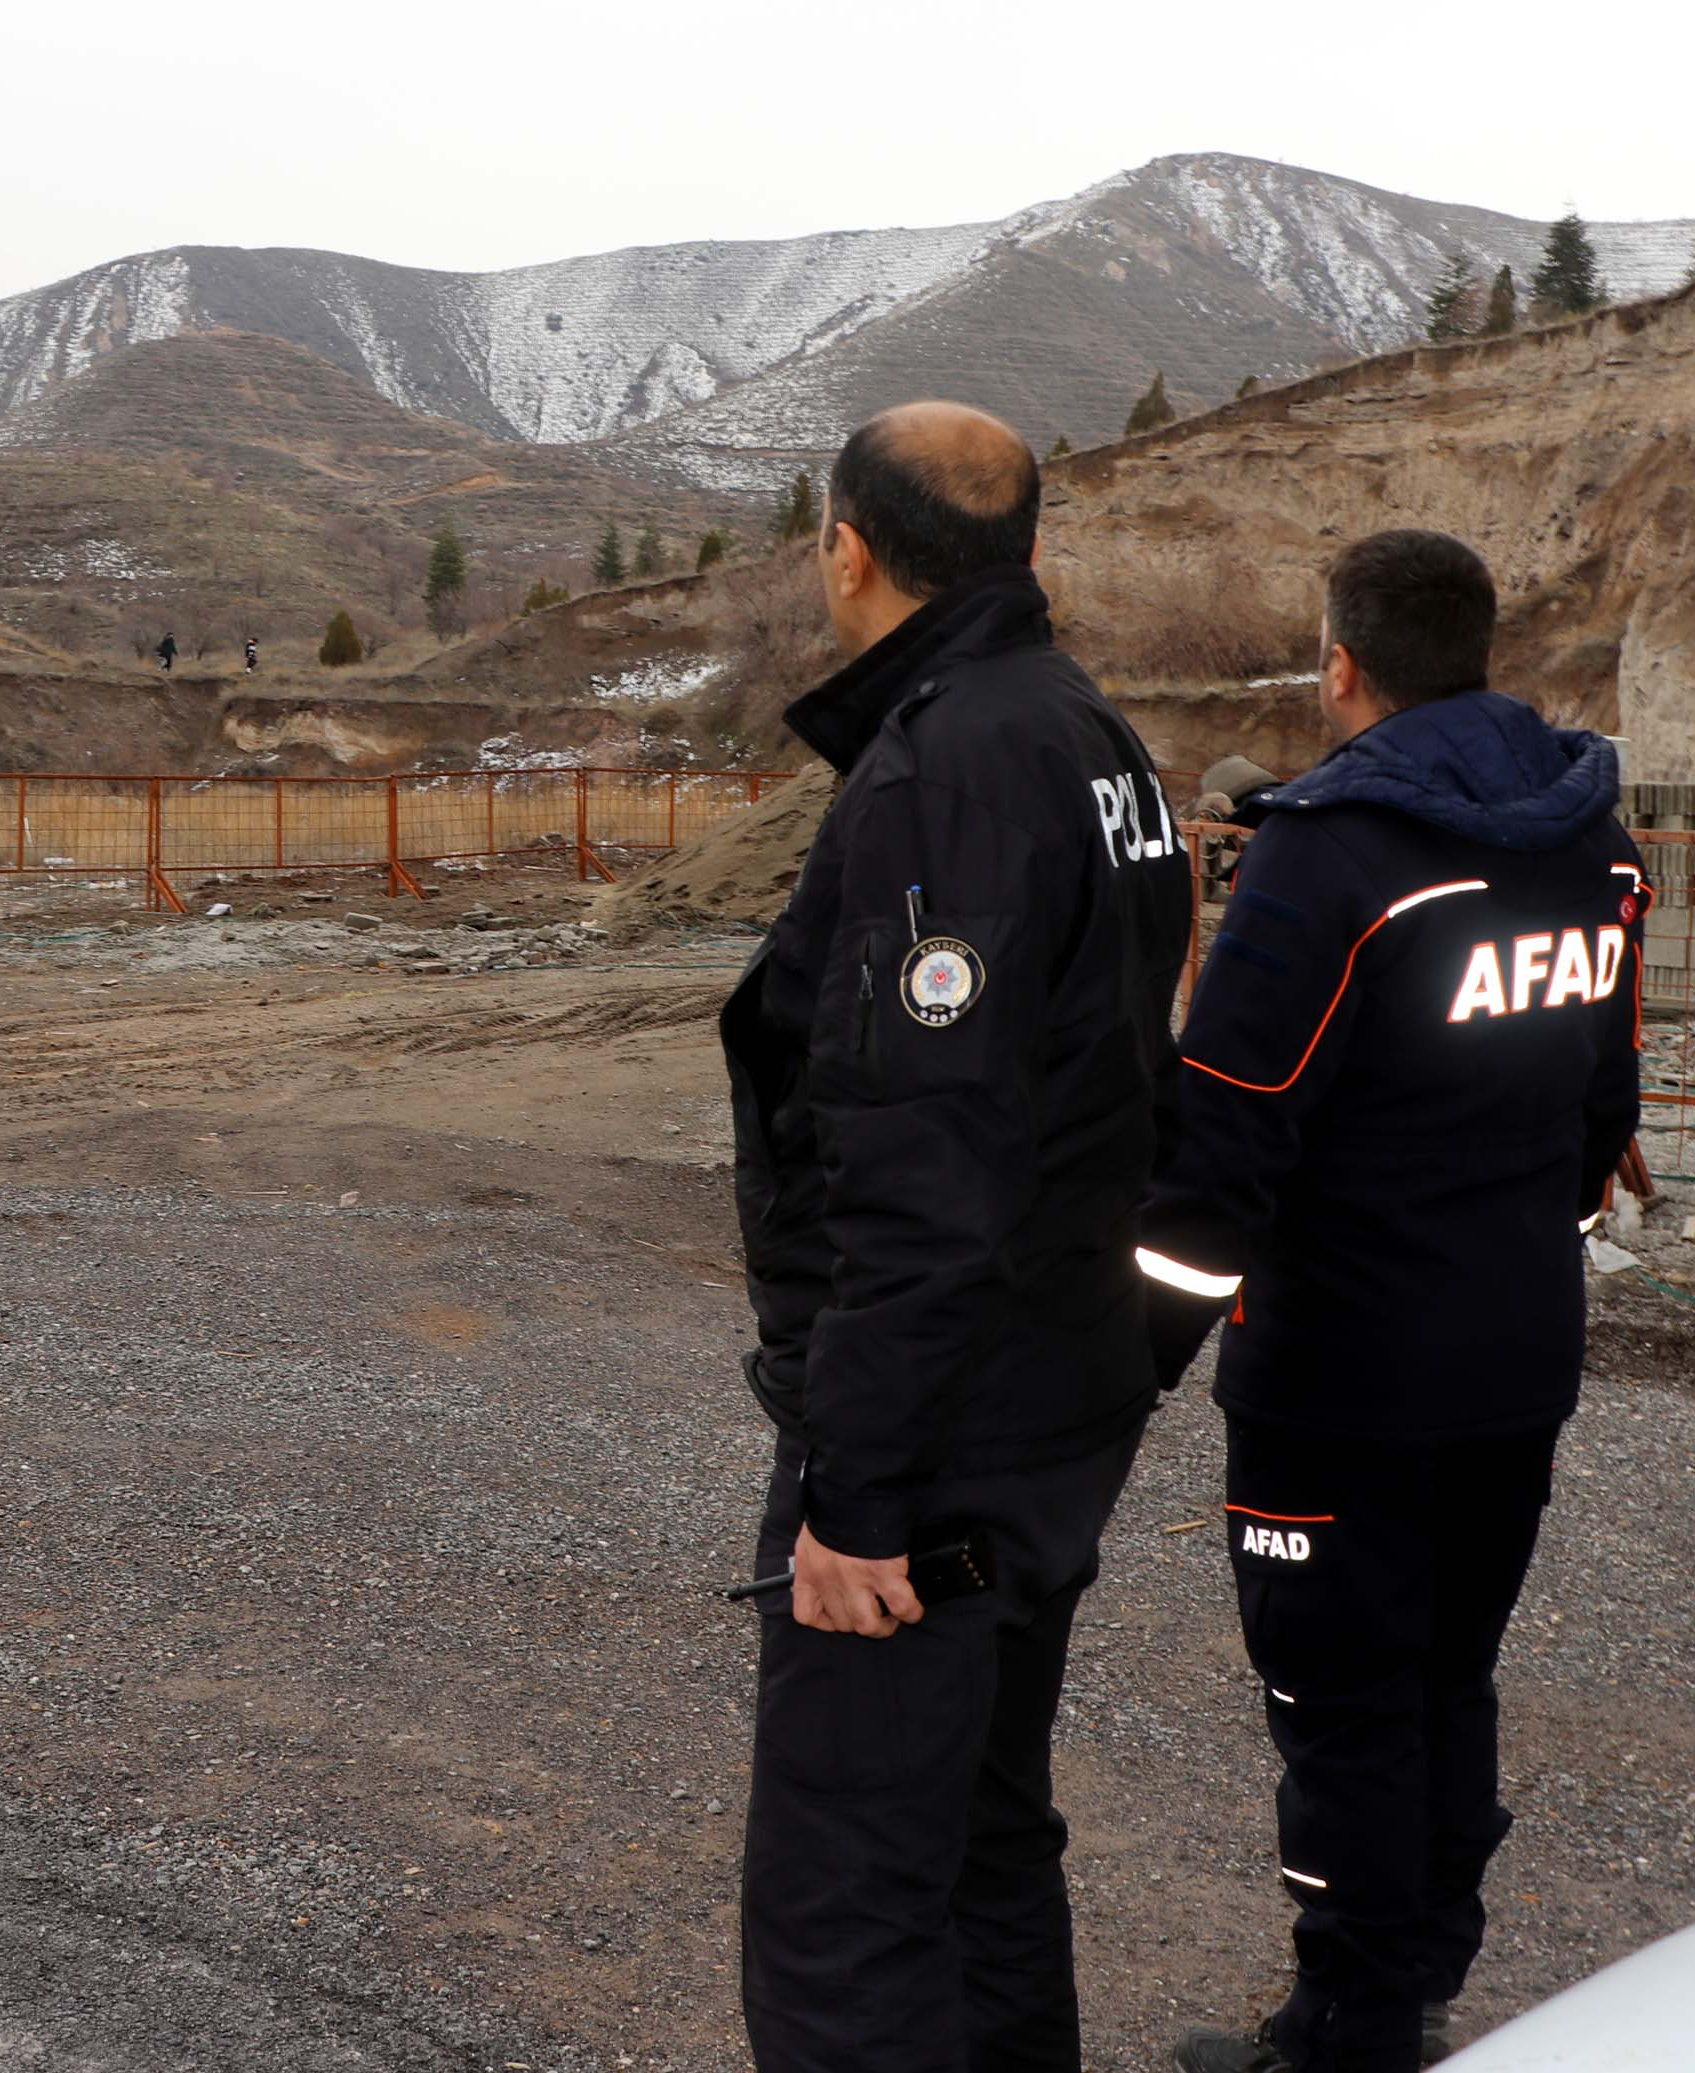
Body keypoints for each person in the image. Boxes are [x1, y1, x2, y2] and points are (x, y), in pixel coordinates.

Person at [722, 400, 1195, 2072]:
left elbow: (926, 1163)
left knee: (848, 1899)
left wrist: (860, 1502)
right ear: (1029, 554)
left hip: (944, 1450)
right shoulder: (1094, 738)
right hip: (1047, 1402)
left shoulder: (952, 768)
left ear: (846, 551)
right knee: (984, 1835)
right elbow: (1146, 1087)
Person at [1139, 531, 1648, 2073]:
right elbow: (1600, 1097)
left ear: (1338, 663)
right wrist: (1523, 1250)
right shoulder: (1595, 844)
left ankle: (1348, 2029)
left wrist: (1121, 1363)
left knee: (1341, 1694)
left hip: (1344, 1376)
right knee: (1448, 1668)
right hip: (1517, 1353)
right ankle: (1416, 1978)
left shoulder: (1333, 853)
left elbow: (1225, 1130)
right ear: (1479, 651)